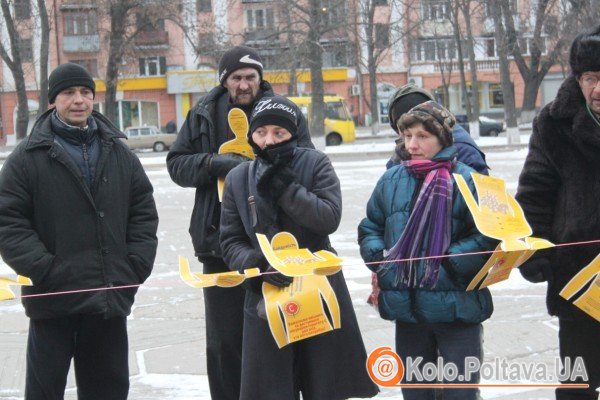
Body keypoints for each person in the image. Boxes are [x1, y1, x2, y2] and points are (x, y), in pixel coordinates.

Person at [0, 63, 158, 399]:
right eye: (69, 93)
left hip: (108, 299)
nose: (79, 100)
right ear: (52, 101)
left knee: (108, 391)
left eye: (85, 93)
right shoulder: (26, 158)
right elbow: (7, 220)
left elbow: (143, 210)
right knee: (45, 391)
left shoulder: (119, 153)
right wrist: (44, 268)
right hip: (52, 298)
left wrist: (135, 264)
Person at [166, 46, 313, 400]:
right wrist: (216, 163)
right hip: (220, 242)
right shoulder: (202, 114)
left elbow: (308, 160)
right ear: (225, 80)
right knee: (225, 341)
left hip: (278, 243)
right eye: (237, 78)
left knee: (281, 332)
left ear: (260, 78)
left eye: (250, 77)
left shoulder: (283, 111)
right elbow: (177, 165)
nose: (244, 84)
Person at [220, 95, 379, 400]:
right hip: (265, 294)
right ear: (251, 135)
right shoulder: (239, 178)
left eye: (279, 133)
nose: (269, 141)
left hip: (318, 290)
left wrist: (285, 187)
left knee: (324, 383)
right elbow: (230, 240)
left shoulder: (316, 163)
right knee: (271, 387)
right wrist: (257, 265)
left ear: (292, 133)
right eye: (261, 132)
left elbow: (327, 218)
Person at [358, 101, 496, 400]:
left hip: (457, 309)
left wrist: (447, 262)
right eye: (407, 136)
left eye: (422, 136)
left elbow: (488, 237)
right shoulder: (392, 179)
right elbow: (370, 227)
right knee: (417, 393)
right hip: (409, 312)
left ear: (443, 139)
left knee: (460, 394)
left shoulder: (469, 181)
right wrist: (382, 259)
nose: (412, 144)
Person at [516, 25, 600, 400]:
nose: (596, 90)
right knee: (577, 386)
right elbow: (534, 194)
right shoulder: (553, 123)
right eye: (589, 78)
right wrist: (535, 252)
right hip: (578, 279)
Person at [386, 83, 489, 174]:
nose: (412, 146)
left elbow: (481, 192)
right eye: (407, 133)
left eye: (422, 135)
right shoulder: (398, 159)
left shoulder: (462, 151)